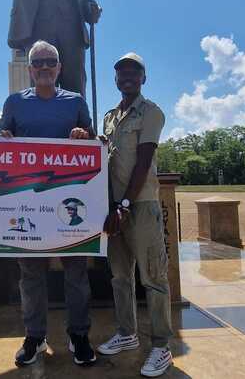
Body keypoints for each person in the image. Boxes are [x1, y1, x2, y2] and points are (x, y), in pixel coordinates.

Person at [0, 40, 97, 366]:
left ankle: (78, 335)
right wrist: (5, 141)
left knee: (76, 274)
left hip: (70, 202)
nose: (43, 67)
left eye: (49, 62)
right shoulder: (14, 103)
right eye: (37, 62)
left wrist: (84, 136)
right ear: (29, 70)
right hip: (27, 203)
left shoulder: (76, 102)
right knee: (30, 275)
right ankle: (35, 336)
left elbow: (93, 142)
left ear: (59, 68)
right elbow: (3, 149)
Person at [98, 53, 173, 377]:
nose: (127, 76)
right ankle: (127, 334)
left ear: (144, 78)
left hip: (138, 206)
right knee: (120, 277)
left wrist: (124, 206)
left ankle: (161, 346)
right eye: (121, 73)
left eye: (133, 72)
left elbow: (143, 163)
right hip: (114, 208)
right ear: (115, 79)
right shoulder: (110, 117)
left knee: (153, 278)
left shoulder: (151, 112)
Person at [0, 0, 101, 97]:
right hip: (37, 26)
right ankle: (41, 118)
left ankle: (78, 119)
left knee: (75, 90)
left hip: (73, 29)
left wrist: (91, 4)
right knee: (41, 88)